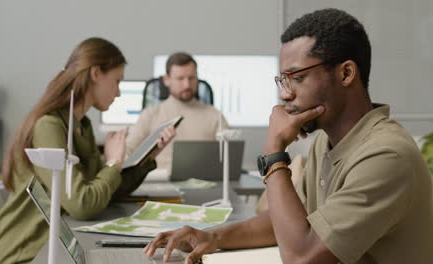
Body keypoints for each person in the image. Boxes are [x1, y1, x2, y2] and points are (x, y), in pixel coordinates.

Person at [144, 8, 433, 264]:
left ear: (346, 73)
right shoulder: (326, 140)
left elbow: (301, 256)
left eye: (297, 78)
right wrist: (213, 238)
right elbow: (290, 225)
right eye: (283, 80)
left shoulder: (386, 156)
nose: (285, 94)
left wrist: (274, 154)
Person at [0, 37, 176, 264]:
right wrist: (113, 163)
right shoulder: (49, 126)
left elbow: (107, 193)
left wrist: (150, 155)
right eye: (117, 81)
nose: (118, 92)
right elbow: (83, 205)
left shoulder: (81, 126)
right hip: (27, 254)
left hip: (57, 248)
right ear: (96, 73)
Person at [126, 52, 228, 170]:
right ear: (166, 80)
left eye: (191, 78)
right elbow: (129, 151)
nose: (187, 85)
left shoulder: (215, 116)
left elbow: (229, 156)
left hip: (202, 182)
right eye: (180, 79)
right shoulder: (150, 115)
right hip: (160, 183)